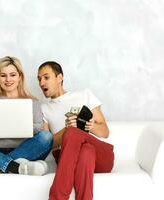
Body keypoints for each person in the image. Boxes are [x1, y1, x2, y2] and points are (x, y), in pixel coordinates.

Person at [37, 61, 114, 200]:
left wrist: (89, 126)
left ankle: (57, 197)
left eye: (46, 77)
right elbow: (48, 144)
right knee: (85, 152)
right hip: (67, 156)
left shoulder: (85, 95)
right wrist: (67, 129)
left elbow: (105, 132)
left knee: (75, 135)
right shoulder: (43, 109)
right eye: (39, 79)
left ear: (59, 77)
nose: (42, 83)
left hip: (101, 157)